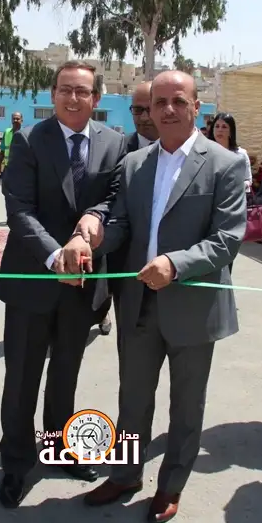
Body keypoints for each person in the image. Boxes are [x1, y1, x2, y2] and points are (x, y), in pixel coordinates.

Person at [61, 70, 247, 523]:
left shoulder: (224, 164)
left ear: (196, 107)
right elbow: (122, 225)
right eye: (158, 103)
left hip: (192, 309)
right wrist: (91, 241)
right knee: (133, 398)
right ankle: (125, 475)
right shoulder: (135, 164)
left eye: (178, 101)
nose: (167, 110)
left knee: (186, 405)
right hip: (138, 306)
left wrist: (176, 264)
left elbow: (227, 239)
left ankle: (171, 485)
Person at [0, 61, 126, 509]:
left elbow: (114, 197)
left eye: (82, 91)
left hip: (83, 284)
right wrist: (56, 257)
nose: (73, 98)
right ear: (53, 94)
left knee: (65, 372)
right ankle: (16, 463)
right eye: (65, 89)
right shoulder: (29, 139)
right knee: (22, 378)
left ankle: (59, 448)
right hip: (34, 279)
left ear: (96, 98)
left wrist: (91, 222)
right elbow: (19, 209)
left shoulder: (114, 143)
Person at [93, 81, 159, 338]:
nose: (143, 117)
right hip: (125, 264)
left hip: (174, 271)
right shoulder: (115, 150)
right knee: (132, 346)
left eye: (149, 109)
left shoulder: (185, 153)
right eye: (137, 110)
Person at [207, 112, 252, 274]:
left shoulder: (240, 154)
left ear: (231, 131)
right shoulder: (205, 151)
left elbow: (248, 180)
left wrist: (234, 186)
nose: (220, 130)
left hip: (231, 208)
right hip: (207, 207)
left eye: (224, 127)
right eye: (217, 126)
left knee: (226, 245)